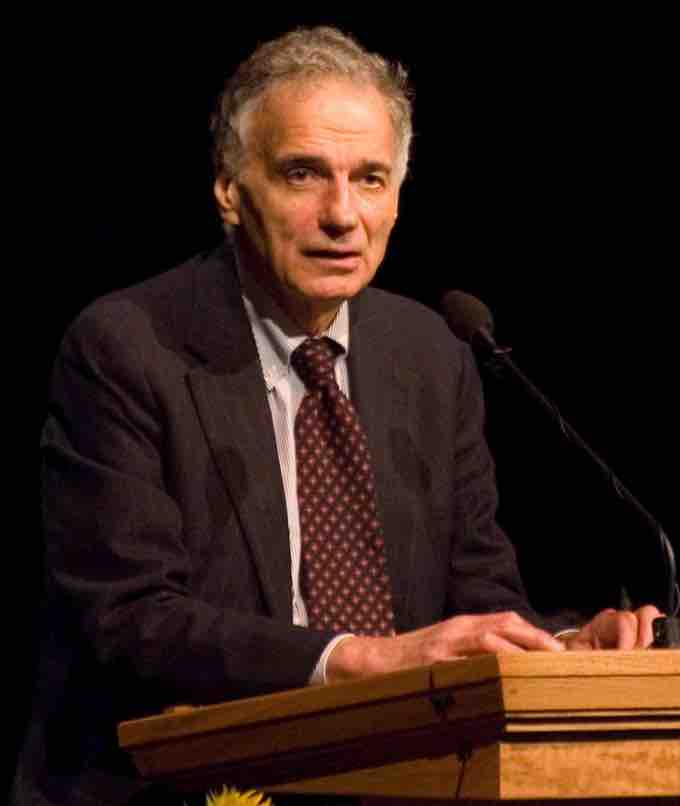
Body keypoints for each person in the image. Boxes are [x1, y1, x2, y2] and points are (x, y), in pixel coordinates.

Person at [13, 26, 661, 806]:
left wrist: (554, 649)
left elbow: (479, 596)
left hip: (396, 781)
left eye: (371, 179)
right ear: (229, 190)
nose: (342, 214)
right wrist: (360, 659)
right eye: (303, 174)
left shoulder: (431, 353)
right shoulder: (127, 348)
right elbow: (128, 620)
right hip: (176, 784)